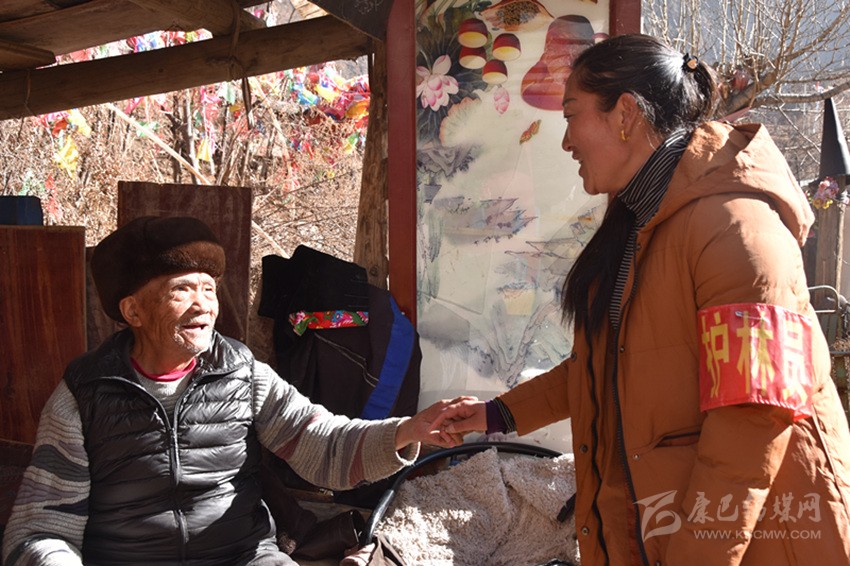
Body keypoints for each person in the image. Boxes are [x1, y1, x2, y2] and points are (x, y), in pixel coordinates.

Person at [434, 34, 850, 565]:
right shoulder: (639, 223)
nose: (566, 141)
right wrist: (495, 415)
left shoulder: (736, 227)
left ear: (626, 114)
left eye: (572, 115)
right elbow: (602, 366)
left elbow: (752, 420)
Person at [1, 215, 459, 566]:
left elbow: (322, 444)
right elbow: (41, 527)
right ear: (133, 311)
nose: (204, 305)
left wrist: (407, 431)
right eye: (182, 290)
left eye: (209, 288)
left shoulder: (241, 373)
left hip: (243, 557)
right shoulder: (84, 394)